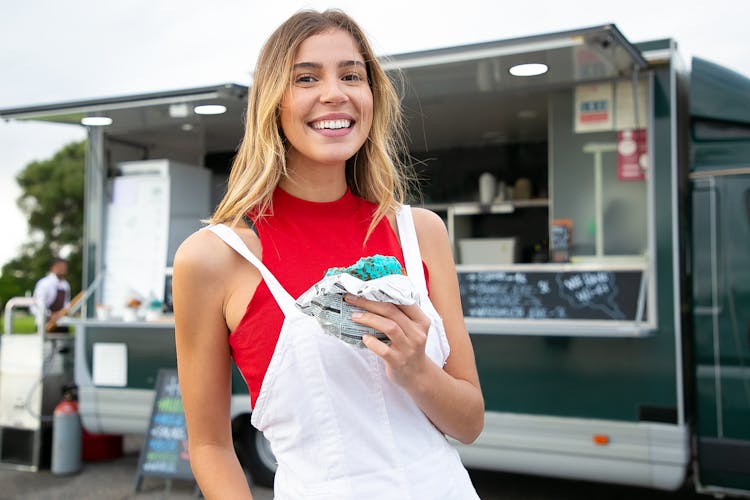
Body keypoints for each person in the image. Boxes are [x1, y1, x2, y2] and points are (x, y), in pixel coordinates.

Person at [173, 9, 484, 499]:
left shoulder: (420, 232)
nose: (334, 92)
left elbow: (468, 423)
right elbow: (210, 446)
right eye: (306, 78)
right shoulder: (215, 258)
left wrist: (417, 371)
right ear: (273, 102)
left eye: (351, 75)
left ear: (372, 98)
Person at [32, 257, 71, 332]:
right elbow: (36, 305)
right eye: (61, 266)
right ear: (53, 267)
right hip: (45, 324)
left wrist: (65, 311)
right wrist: (49, 315)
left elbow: (66, 303)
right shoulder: (44, 283)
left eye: (65, 267)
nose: (64, 269)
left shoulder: (66, 285)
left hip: (62, 323)